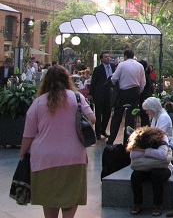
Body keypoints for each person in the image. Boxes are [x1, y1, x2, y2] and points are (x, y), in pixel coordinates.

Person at [20, 64, 96, 218]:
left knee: (49, 200)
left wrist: (22, 154)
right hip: (74, 156)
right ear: (67, 79)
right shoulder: (77, 98)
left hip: (44, 158)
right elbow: (92, 119)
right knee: (71, 197)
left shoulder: (38, 103)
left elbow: (28, 135)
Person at [127, 126, 173, 216]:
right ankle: (137, 203)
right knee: (135, 175)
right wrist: (152, 154)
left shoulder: (162, 137)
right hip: (145, 168)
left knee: (156, 174)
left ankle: (158, 205)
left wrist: (143, 151)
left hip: (163, 169)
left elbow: (162, 154)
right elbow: (133, 154)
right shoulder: (139, 138)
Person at [108, 49, 146, 145]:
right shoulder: (140, 66)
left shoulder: (122, 65)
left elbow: (114, 78)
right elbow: (143, 82)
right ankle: (129, 141)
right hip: (135, 92)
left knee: (117, 115)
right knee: (131, 116)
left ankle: (111, 139)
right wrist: (138, 92)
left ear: (125, 56)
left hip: (123, 92)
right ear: (133, 56)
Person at [88, 51, 116, 139]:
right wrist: (90, 93)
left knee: (107, 113)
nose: (108, 58)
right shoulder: (98, 69)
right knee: (98, 113)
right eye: (105, 57)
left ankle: (103, 129)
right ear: (101, 59)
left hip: (109, 93)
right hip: (99, 94)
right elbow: (94, 82)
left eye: (108, 56)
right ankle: (98, 132)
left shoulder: (112, 66)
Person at [139, 60, 155, 127]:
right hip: (147, 95)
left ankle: (145, 128)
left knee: (144, 113)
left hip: (144, 96)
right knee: (144, 114)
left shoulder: (143, 75)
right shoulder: (146, 74)